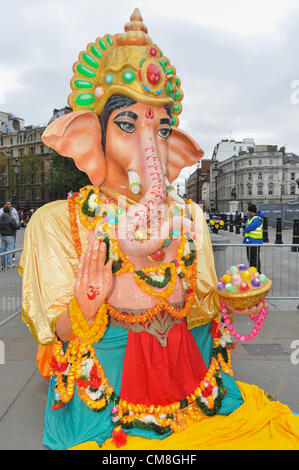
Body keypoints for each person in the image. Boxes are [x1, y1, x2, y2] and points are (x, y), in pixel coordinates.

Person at [19, 9, 299, 451]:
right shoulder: (58, 221)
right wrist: (84, 307)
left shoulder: (187, 219)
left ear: (175, 149)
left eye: (161, 129)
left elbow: (201, 311)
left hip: (189, 386)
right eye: (128, 125)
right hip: (108, 412)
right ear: (90, 138)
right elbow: (56, 330)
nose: (148, 145)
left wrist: (226, 298)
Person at [243, 204, 264, 272]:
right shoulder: (251, 218)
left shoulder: (257, 219)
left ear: (251, 211)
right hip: (250, 241)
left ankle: (257, 273)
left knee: (254, 260)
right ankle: (253, 273)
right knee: (251, 259)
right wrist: (245, 226)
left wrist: (246, 227)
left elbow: (249, 228)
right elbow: (244, 225)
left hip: (255, 242)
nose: (248, 212)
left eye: (248, 211)